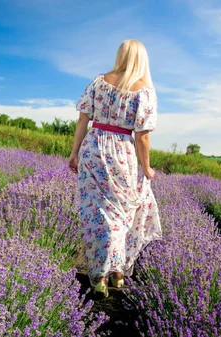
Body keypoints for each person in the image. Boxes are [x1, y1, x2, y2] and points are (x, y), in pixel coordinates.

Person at [68, 39, 162, 298]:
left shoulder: (99, 81)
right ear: (142, 60)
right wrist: (147, 167)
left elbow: (82, 120)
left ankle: (99, 276)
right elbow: (142, 136)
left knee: (96, 213)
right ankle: (117, 274)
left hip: (93, 148)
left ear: (120, 55)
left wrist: (74, 153)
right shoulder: (145, 92)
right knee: (121, 215)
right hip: (122, 153)